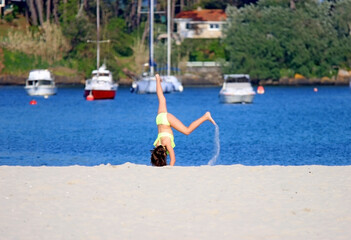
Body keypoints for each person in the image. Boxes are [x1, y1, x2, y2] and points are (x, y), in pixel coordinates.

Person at [150, 73, 216, 166]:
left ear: (163, 155)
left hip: (165, 120)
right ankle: (157, 78)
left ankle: (205, 116)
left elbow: (173, 160)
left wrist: (170, 167)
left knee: (187, 131)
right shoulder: (157, 145)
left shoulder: (166, 144)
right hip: (159, 119)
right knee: (161, 99)